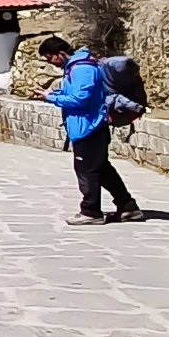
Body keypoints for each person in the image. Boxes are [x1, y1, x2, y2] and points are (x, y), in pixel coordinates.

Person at [40, 36, 143, 225]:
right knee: (102, 170)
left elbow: (81, 99)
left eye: (50, 58)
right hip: (89, 126)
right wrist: (54, 94)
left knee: (87, 171)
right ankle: (128, 207)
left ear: (60, 53)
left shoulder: (82, 69)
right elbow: (76, 94)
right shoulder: (77, 67)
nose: (50, 62)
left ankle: (91, 211)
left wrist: (51, 99)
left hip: (89, 127)